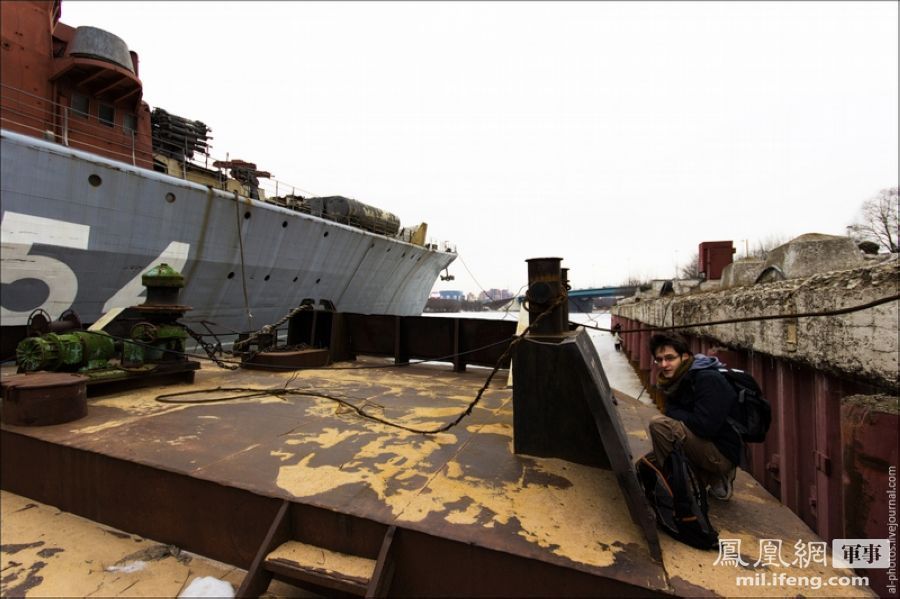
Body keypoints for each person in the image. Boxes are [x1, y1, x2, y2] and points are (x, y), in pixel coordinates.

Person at [647, 332, 741, 501]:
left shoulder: (707, 379)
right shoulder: (678, 379)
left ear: (685, 357)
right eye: (659, 360)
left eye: (669, 358)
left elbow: (705, 426)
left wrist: (672, 412)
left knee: (659, 425)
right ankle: (706, 477)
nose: (664, 364)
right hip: (703, 444)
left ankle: (683, 490)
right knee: (649, 461)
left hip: (721, 453)